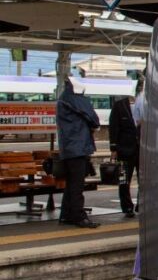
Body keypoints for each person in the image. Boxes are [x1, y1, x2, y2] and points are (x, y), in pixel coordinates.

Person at [56, 77, 101, 228]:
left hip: (69, 148)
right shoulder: (74, 99)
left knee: (71, 184)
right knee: (77, 185)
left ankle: (66, 214)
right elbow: (93, 118)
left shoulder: (63, 99)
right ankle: (79, 216)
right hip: (78, 147)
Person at [108, 95, 138, 217]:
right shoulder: (120, 106)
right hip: (124, 149)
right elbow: (113, 127)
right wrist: (113, 148)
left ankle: (142, 204)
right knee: (124, 180)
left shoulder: (147, 104)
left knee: (145, 180)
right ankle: (127, 206)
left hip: (143, 148)